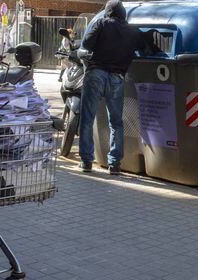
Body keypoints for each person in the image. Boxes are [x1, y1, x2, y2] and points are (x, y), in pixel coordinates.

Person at [78, 0, 151, 175]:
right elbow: (146, 49)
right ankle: (115, 164)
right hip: (117, 79)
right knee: (116, 122)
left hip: (96, 74)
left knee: (87, 119)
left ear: (108, 11)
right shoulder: (133, 31)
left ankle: (87, 161)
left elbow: (87, 44)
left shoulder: (102, 23)